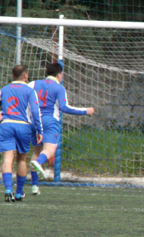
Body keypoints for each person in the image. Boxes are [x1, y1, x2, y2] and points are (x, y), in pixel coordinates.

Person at [27, 59, 95, 194]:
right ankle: (39, 163)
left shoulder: (33, 83)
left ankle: (35, 186)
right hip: (50, 122)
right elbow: (64, 107)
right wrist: (85, 111)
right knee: (49, 151)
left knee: (36, 152)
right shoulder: (59, 88)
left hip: (34, 122)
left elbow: (23, 98)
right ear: (59, 75)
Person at [0, 64, 44, 202]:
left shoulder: (4, 89)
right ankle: (19, 192)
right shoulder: (30, 91)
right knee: (22, 159)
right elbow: (36, 112)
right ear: (25, 76)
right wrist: (39, 130)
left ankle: (8, 190)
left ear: (13, 75)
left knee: (8, 158)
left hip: (6, 125)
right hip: (23, 126)